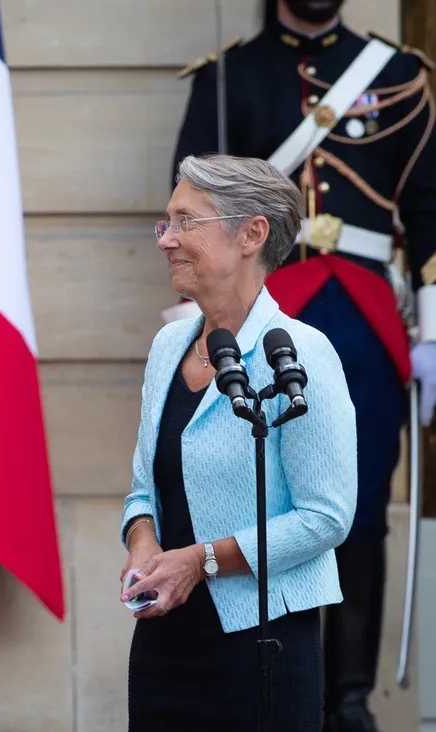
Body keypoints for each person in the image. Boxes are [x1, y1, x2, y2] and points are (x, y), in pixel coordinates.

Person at [168, 2, 436, 728]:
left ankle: (347, 700)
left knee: (360, 515)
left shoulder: (402, 77)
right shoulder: (228, 79)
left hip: (364, 323)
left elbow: (430, 211)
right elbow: (188, 222)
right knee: (254, 503)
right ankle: (272, 687)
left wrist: (433, 331)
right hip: (259, 310)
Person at [120, 154, 358, 731]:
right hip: (164, 644)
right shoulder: (167, 346)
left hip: (262, 648)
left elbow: (326, 517)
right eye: (166, 223)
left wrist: (199, 563)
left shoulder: (301, 352)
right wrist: (142, 544)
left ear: (252, 233)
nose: (166, 240)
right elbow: (142, 490)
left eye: (185, 222)